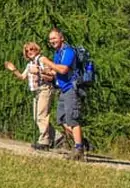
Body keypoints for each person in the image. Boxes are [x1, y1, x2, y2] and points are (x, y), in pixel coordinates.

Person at [38, 28, 85, 160]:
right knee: (62, 119)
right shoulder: (58, 53)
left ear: (61, 38)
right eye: (50, 39)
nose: (52, 41)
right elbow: (56, 71)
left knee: (72, 119)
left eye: (54, 38)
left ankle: (79, 149)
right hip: (63, 89)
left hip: (71, 89)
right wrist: (46, 73)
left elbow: (63, 69)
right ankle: (81, 142)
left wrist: (47, 62)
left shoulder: (68, 51)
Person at [5, 42, 60, 150]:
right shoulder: (29, 64)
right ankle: (56, 137)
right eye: (27, 51)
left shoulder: (42, 59)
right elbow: (22, 77)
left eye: (32, 49)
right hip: (36, 91)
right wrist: (14, 70)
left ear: (36, 49)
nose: (29, 52)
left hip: (45, 89)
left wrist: (39, 70)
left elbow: (53, 72)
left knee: (41, 116)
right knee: (37, 117)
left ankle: (44, 141)